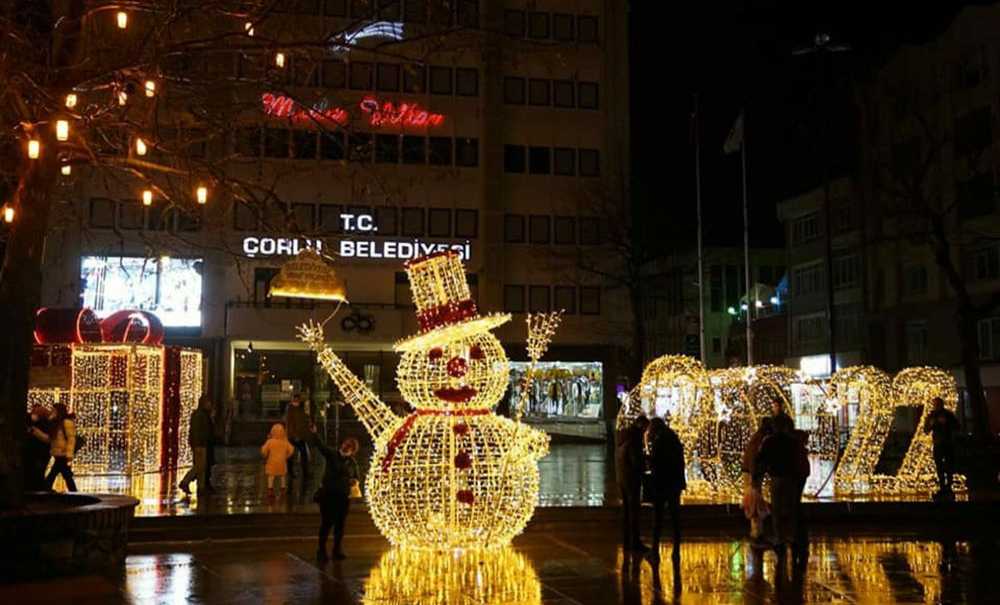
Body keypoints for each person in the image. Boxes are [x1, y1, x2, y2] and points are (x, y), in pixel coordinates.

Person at [753, 413, 801, 561]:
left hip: (776, 477)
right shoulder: (792, 441)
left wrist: (760, 472)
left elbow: (760, 458)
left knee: (777, 508)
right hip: (790, 477)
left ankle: (779, 537)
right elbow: (797, 458)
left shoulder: (770, 441)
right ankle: (791, 536)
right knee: (791, 507)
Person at [311, 428, 360, 561]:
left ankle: (337, 549)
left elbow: (356, 476)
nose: (347, 447)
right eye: (346, 445)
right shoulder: (332, 454)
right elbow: (321, 447)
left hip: (343, 497)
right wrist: (315, 433)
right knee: (326, 523)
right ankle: (321, 550)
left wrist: (353, 480)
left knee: (340, 525)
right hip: (329, 495)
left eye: (350, 447)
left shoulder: (352, 462)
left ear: (353, 451)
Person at [644, 416, 686, 559]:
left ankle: (654, 551)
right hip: (675, 484)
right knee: (675, 518)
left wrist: (648, 460)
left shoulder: (659, 441)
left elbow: (657, 462)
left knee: (658, 518)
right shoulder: (674, 438)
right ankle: (676, 551)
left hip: (662, 484)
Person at [616, 415, 649, 552]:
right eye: (646, 429)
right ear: (641, 426)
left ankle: (627, 541)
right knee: (634, 512)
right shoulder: (634, 441)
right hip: (632, 480)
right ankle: (635, 542)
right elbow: (636, 462)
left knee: (627, 512)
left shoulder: (624, 438)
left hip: (623, 479)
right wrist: (645, 465)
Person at [741, 417, 773, 544]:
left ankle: (757, 531)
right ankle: (756, 532)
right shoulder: (761, 439)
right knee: (754, 504)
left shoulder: (758, 437)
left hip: (751, 472)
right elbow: (754, 458)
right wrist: (754, 476)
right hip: (752, 473)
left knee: (754, 502)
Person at [923, 396, 959, 497]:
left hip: (947, 443)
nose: (936, 406)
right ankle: (943, 486)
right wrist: (931, 424)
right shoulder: (932, 415)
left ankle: (948, 486)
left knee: (949, 465)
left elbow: (957, 426)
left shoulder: (948, 414)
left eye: (938, 404)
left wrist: (947, 423)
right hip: (938, 444)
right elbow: (926, 430)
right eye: (935, 404)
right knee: (939, 465)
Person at [179, 395, 214, 497]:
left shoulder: (204, 414)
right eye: (208, 403)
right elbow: (198, 431)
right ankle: (185, 482)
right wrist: (197, 444)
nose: (210, 405)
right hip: (200, 445)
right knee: (199, 467)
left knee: (201, 468)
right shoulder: (200, 415)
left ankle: (201, 487)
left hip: (202, 444)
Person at [43, 403, 77, 492]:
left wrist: (69, 453)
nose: (52, 412)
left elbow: (71, 439)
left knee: (54, 474)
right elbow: (49, 439)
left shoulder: (66, 422)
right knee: (65, 475)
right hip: (58, 453)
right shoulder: (55, 423)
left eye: (54, 410)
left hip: (63, 453)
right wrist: (35, 432)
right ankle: (74, 492)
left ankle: (46, 489)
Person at [261, 422, 295, 499]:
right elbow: (292, 449)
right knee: (282, 476)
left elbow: (264, 450)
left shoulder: (270, 441)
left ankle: (270, 490)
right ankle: (283, 489)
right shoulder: (285, 441)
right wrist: (287, 456)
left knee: (271, 476)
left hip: (272, 462)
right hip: (282, 463)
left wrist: (265, 455)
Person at [25, 406, 53, 491]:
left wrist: (33, 431)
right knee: (38, 472)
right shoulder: (42, 424)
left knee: (38, 472)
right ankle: (42, 488)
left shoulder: (41, 424)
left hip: (39, 453)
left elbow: (46, 438)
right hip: (40, 452)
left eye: (35, 413)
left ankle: (40, 488)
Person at [285, 393, 311, 482]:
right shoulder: (291, 409)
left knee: (302, 454)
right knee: (292, 454)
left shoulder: (300, 409)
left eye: (297, 400)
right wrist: (294, 434)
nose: (296, 402)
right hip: (293, 436)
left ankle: (304, 472)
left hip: (300, 435)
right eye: (295, 400)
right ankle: (292, 472)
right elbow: (290, 423)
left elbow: (304, 420)